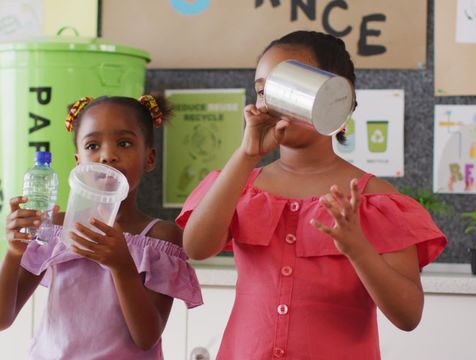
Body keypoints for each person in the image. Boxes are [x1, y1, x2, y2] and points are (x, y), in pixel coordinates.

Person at [177, 31, 447, 359]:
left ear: (336, 97)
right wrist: (246, 154)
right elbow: (196, 247)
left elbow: (408, 315)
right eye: (263, 91)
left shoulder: (376, 201)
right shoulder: (241, 184)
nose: (271, 103)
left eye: (287, 88)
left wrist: (358, 249)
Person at [0, 95, 203, 359]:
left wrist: (121, 266)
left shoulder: (160, 239)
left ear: (150, 158)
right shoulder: (56, 228)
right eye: (92, 145)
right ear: (78, 160)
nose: (107, 156)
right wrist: (13, 253)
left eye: (124, 143)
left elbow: (147, 338)